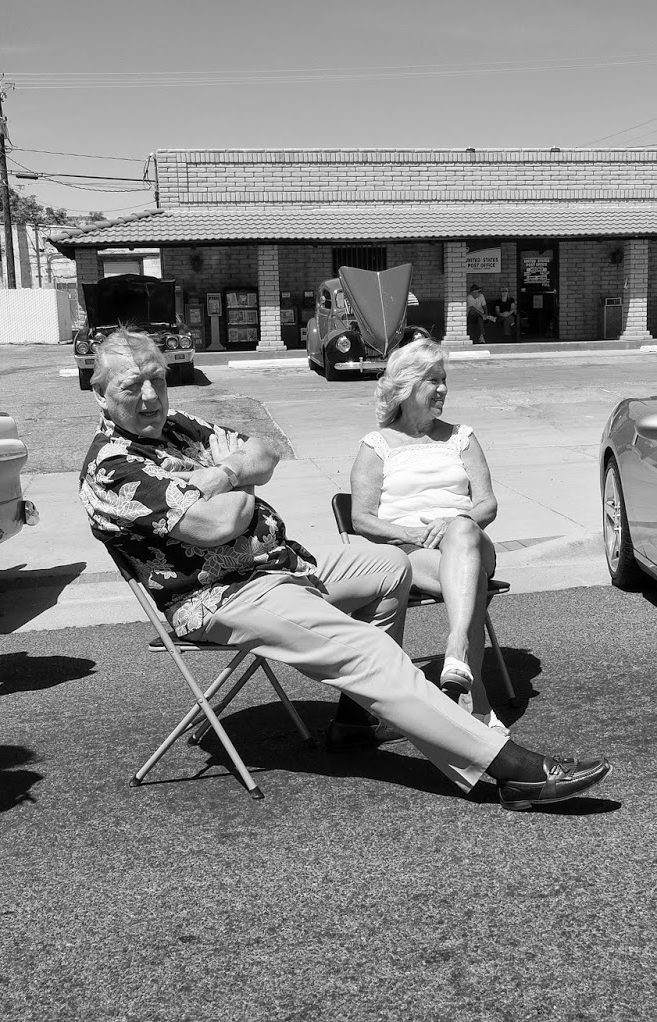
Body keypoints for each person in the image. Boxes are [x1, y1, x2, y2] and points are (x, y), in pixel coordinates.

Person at [79, 327, 612, 810]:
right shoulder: (113, 469)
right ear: (100, 393)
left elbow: (266, 452)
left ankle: (356, 720)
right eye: (131, 387)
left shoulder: (178, 428)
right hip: (222, 595)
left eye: (157, 381)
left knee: (386, 567)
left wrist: (230, 470)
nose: (150, 397)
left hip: (281, 563)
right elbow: (218, 525)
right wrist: (235, 474)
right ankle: (508, 768)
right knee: (368, 649)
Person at [347, 339, 506, 734]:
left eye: (444, 380)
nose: (443, 389)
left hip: (470, 544)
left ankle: (455, 647)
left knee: (464, 527)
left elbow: (487, 504)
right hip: (411, 552)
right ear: (406, 387)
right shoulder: (376, 446)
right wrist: (413, 533)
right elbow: (361, 518)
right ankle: (477, 702)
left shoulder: (461, 437)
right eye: (433, 381)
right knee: (460, 579)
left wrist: (455, 521)